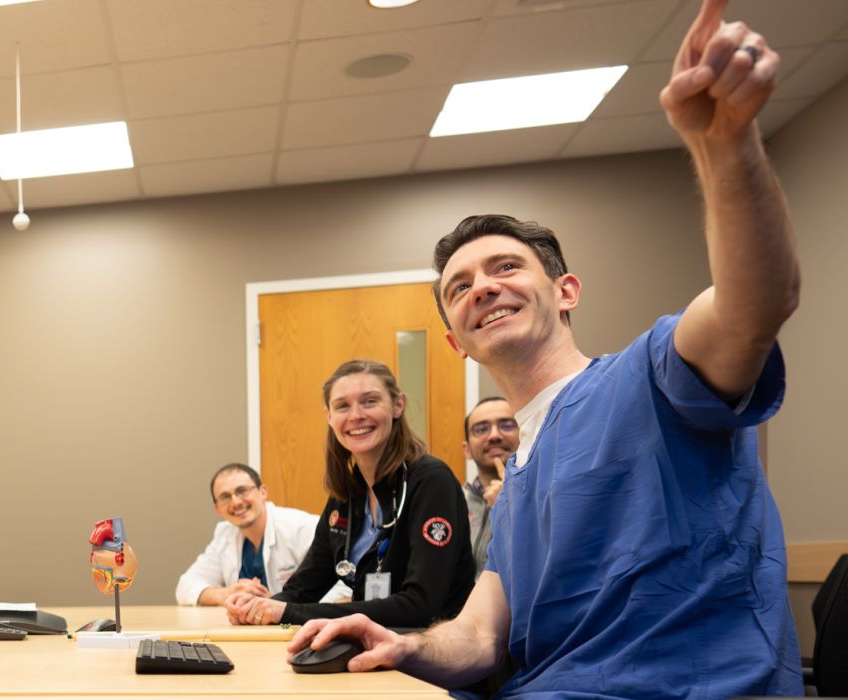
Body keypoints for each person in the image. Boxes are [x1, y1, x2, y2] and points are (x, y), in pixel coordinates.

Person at [287, 2, 803, 695]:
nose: (482, 288)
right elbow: (477, 640)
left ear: (565, 291)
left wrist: (726, 145)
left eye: (506, 268)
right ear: (455, 343)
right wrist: (398, 644)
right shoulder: (516, 478)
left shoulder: (651, 380)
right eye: (459, 286)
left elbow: (755, 304)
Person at [226, 360, 476, 628]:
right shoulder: (347, 495)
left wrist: (287, 612)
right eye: (342, 406)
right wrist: (257, 608)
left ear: (398, 405)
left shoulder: (430, 481)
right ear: (329, 416)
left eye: (369, 401)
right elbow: (303, 588)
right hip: (372, 645)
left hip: (430, 653)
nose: (356, 415)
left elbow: (420, 605)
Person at [175, 463, 348, 606]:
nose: (235, 502)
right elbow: (185, 586)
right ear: (217, 509)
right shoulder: (224, 535)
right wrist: (225, 594)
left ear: (263, 491)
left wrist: (280, 605)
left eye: (242, 490)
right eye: (225, 497)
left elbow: (344, 588)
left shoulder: (302, 527)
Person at [460, 397, 516, 572]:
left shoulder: (544, 498)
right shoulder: (452, 503)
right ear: (467, 449)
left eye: (507, 425)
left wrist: (510, 507)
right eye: (481, 429)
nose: (494, 435)